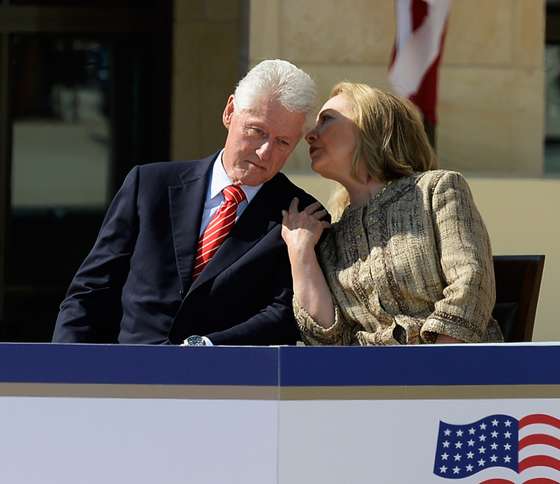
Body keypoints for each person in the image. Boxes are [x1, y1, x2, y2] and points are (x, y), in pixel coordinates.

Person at [53, 59, 319, 346]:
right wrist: (62, 369)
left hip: (226, 381)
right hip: (129, 376)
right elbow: (92, 290)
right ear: (230, 112)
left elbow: (284, 314)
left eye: (283, 142)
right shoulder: (149, 185)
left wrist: (204, 349)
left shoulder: (303, 217)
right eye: (257, 131)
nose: (265, 152)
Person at [281, 82, 503, 345]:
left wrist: (435, 370)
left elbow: (471, 286)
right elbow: (327, 340)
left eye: (326, 120)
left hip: (453, 374)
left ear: (372, 127)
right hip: (367, 380)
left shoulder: (436, 189)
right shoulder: (332, 235)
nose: (310, 134)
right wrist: (300, 253)